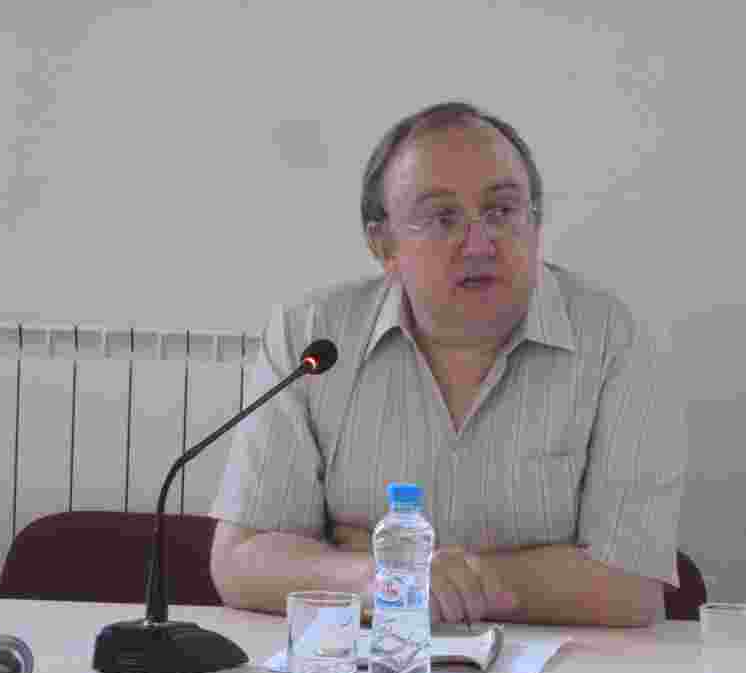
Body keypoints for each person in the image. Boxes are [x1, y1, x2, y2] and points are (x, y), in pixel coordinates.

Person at [209, 101, 686, 628]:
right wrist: (371, 577)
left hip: (564, 670)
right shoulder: (312, 338)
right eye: (442, 218)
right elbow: (240, 561)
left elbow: (630, 587)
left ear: (535, 221)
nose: (479, 244)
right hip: (367, 658)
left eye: (502, 211)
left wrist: (399, 569)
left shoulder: (614, 340)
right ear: (384, 245)